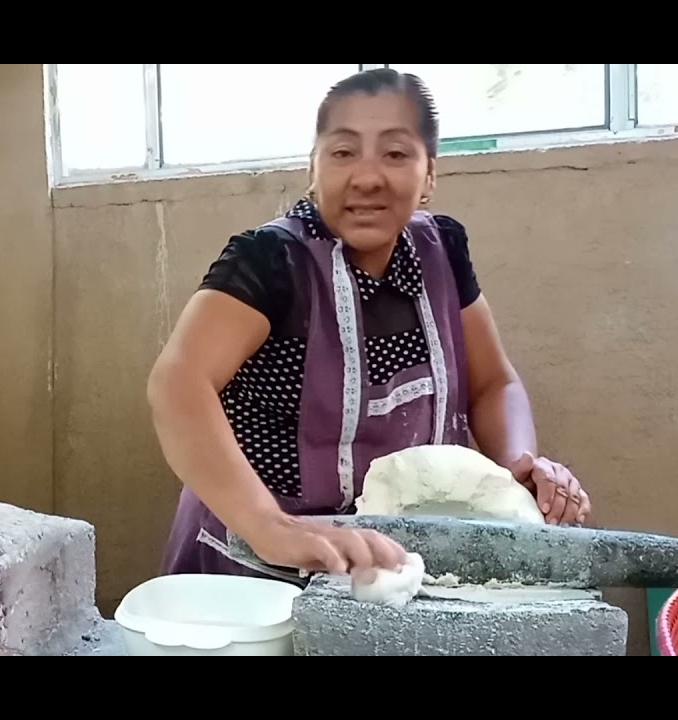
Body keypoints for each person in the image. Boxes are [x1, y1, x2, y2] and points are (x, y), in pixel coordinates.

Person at [147, 68, 592, 585]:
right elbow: (178, 383)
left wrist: (517, 470)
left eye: (395, 154)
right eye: (343, 152)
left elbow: (493, 383)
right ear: (313, 169)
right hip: (251, 570)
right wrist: (272, 528)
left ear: (429, 175)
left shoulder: (442, 253)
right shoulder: (270, 261)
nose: (367, 177)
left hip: (392, 568)